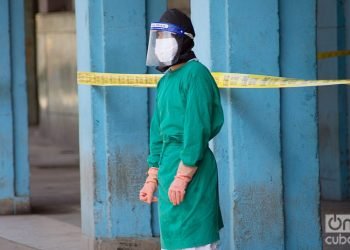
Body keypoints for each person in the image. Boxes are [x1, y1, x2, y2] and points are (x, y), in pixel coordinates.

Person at [139, 8, 224, 250]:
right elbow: (158, 134)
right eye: (158, 40)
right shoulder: (165, 82)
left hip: (191, 171)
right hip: (168, 171)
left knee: (195, 241)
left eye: (167, 39)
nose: (161, 46)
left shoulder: (196, 74)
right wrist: (152, 178)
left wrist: (183, 177)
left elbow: (196, 130)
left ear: (183, 41)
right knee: (174, 243)